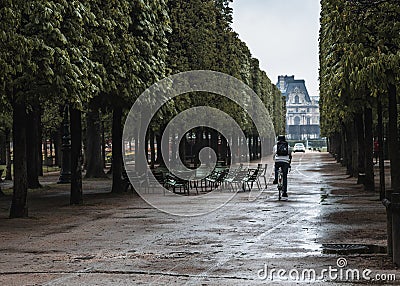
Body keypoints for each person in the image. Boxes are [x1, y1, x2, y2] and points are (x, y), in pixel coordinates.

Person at [272, 135, 292, 200]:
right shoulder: (288, 146)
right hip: (285, 161)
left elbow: (274, 154)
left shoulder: (275, 146)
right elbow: (290, 155)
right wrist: (289, 163)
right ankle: (284, 192)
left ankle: (276, 179)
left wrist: (274, 159)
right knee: (285, 176)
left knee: (276, 168)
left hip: (278, 160)